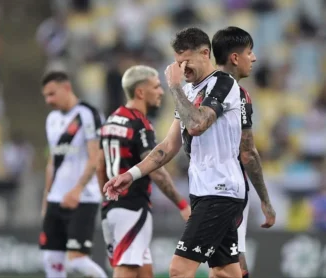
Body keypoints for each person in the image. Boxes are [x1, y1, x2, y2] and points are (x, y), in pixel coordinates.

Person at [104, 27, 276, 278]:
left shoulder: (224, 84)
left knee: (179, 269)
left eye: (185, 61)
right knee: (226, 272)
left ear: (205, 53)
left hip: (220, 191)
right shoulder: (188, 91)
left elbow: (197, 125)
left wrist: (173, 87)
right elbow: (168, 146)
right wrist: (131, 174)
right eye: (176, 62)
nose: (181, 69)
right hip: (204, 190)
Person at [97, 65, 191, 278]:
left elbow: (99, 164)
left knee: (144, 272)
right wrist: (181, 203)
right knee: (126, 270)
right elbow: (156, 171)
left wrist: (105, 200)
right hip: (132, 207)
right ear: (140, 92)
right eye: (156, 86)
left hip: (112, 208)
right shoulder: (140, 124)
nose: (160, 92)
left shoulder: (111, 120)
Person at [212, 26, 276, 278]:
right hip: (227, 189)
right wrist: (266, 200)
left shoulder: (194, 90)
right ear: (235, 58)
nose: (255, 58)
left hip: (202, 188)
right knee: (231, 268)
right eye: (250, 52)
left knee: (224, 267)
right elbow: (247, 152)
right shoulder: (237, 94)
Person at [40, 71, 107, 278]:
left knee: (77, 261)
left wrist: (77, 190)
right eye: (45, 96)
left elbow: (95, 157)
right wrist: (46, 197)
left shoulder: (88, 114)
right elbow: (53, 161)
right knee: (51, 260)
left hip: (82, 198)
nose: (48, 100)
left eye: (52, 94)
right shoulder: (51, 119)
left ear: (66, 88)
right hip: (56, 198)